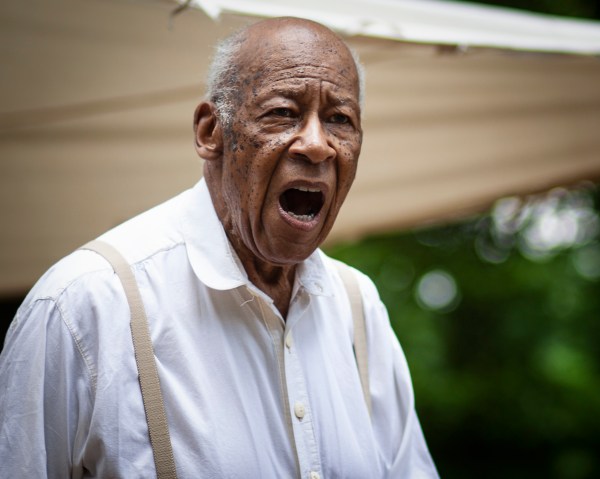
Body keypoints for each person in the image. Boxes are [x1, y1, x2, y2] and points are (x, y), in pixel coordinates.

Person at [0, 17, 438, 478]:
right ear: (211, 132)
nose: (317, 145)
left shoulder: (358, 307)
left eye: (339, 120)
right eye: (283, 112)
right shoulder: (85, 304)